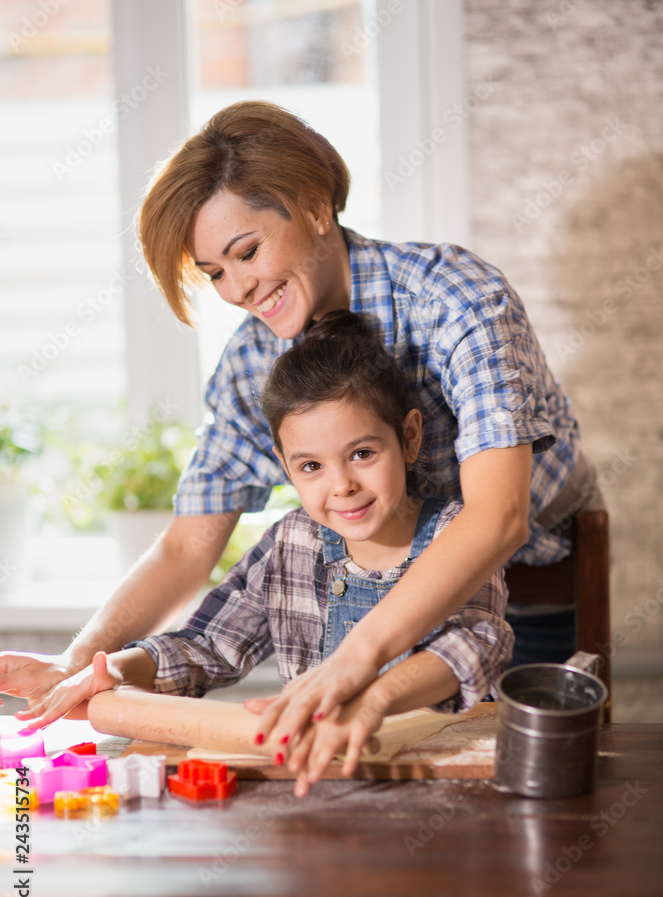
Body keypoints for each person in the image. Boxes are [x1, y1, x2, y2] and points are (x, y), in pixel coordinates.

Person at [0, 100, 594, 748]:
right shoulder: (250, 363)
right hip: (366, 618)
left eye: (246, 252)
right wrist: (80, 660)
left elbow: (496, 517)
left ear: (314, 208)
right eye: (214, 273)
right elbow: (186, 546)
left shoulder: (453, 297)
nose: (237, 290)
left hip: (531, 594)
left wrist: (355, 663)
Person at [14, 314, 513, 795]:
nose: (341, 485)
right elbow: (207, 646)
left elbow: (476, 645)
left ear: (408, 437)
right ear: (285, 466)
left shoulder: (458, 535)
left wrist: (373, 699)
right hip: (315, 784)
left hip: (442, 783)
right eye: (312, 465)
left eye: (362, 454)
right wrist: (113, 670)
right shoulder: (289, 544)